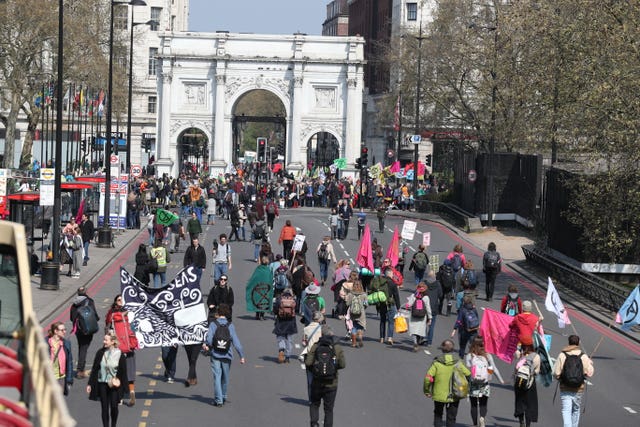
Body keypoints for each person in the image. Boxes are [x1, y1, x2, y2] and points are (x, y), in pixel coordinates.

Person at [204, 304, 246, 407]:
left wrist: (207, 346)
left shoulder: (213, 324)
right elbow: (236, 342)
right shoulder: (230, 325)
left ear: (218, 312)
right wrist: (242, 356)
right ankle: (223, 396)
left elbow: (209, 339)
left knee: (217, 377)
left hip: (215, 354)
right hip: (227, 355)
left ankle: (218, 400)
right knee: (225, 377)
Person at [305, 325, 346, 427]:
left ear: (321, 334)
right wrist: (333, 368)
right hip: (332, 383)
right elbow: (343, 364)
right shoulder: (336, 347)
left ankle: (314, 424)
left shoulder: (315, 346)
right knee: (328, 409)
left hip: (317, 382)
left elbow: (308, 363)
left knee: (314, 404)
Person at [424, 339, 470, 427]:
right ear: (453, 349)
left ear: (442, 349)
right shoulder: (458, 362)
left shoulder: (436, 363)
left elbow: (428, 378)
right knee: (451, 417)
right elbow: (468, 374)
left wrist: (427, 390)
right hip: (455, 394)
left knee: (438, 415)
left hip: (439, 394)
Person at [86, 333, 128, 427]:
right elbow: (95, 369)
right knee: (104, 408)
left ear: (112, 342)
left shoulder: (120, 354)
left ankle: (113, 424)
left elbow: (123, 373)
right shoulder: (100, 353)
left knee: (114, 406)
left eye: (106, 340)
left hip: (114, 385)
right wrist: (90, 384)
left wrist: (124, 389)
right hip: (102, 384)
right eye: (104, 339)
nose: (103, 342)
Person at [553, 335, 594, 427]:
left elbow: (556, 373)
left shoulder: (562, 355)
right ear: (578, 343)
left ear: (569, 342)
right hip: (578, 389)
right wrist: (590, 363)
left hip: (565, 387)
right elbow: (590, 373)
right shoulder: (583, 356)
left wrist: (560, 378)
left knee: (566, 410)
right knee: (576, 410)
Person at [105, 295, 138, 406]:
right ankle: (118, 396)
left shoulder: (130, 312)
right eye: (119, 300)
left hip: (129, 347)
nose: (121, 301)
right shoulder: (112, 313)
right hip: (117, 349)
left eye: (122, 300)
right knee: (117, 373)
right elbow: (110, 321)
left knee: (130, 372)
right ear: (115, 302)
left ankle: (132, 394)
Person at [465, 336, 503, 427]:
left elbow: (467, 369)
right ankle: (482, 418)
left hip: (474, 383)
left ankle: (474, 424)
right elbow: (493, 369)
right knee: (483, 403)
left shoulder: (470, 356)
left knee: (473, 405)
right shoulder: (487, 355)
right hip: (484, 383)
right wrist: (501, 380)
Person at [70, 287, 100, 379]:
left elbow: (72, 317)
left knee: (81, 347)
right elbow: (94, 315)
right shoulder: (89, 301)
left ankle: (80, 367)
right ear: (86, 292)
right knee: (84, 348)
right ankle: (80, 370)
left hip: (78, 329)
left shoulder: (74, 303)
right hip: (87, 329)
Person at [513, 344, 541, 427]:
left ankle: (521, 421)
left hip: (518, 381)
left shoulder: (521, 354)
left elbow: (515, 360)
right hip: (529, 383)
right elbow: (537, 370)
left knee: (520, 401)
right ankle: (528, 425)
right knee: (529, 404)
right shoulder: (536, 356)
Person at [301, 312, 325, 398]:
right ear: (319, 319)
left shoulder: (306, 328)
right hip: (320, 355)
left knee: (310, 378)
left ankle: (311, 398)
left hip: (309, 355)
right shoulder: (322, 329)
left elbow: (304, 343)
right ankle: (319, 395)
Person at [46, 322, 74, 395]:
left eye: (65, 329)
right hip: (48, 377)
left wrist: (69, 379)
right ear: (55, 331)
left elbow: (69, 362)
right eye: (62, 330)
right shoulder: (45, 343)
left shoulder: (66, 343)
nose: (65, 331)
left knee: (59, 399)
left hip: (61, 377)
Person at [272, 288, 298, 363]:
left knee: (280, 337)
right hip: (291, 322)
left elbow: (275, 310)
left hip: (281, 322)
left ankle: (281, 349)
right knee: (289, 340)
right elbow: (296, 310)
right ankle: (287, 357)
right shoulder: (293, 300)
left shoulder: (279, 300)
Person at [405, 282, 432, 352]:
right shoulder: (426, 297)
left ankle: (415, 342)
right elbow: (428, 308)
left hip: (413, 316)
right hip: (422, 317)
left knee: (414, 331)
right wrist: (430, 318)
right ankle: (418, 341)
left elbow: (408, 305)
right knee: (420, 331)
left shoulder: (413, 296)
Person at [345, 279, 368, 348]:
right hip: (361, 314)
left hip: (353, 314)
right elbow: (366, 304)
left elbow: (347, 303)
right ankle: (360, 337)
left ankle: (354, 343)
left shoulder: (350, 294)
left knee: (353, 328)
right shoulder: (364, 294)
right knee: (360, 327)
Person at [425, 270, 443, 347]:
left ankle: (423, 337)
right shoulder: (438, 284)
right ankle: (429, 341)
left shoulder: (425, 283)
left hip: (425, 307)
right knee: (431, 326)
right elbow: (440, 295)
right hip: (434, 307)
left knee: (423, 324)